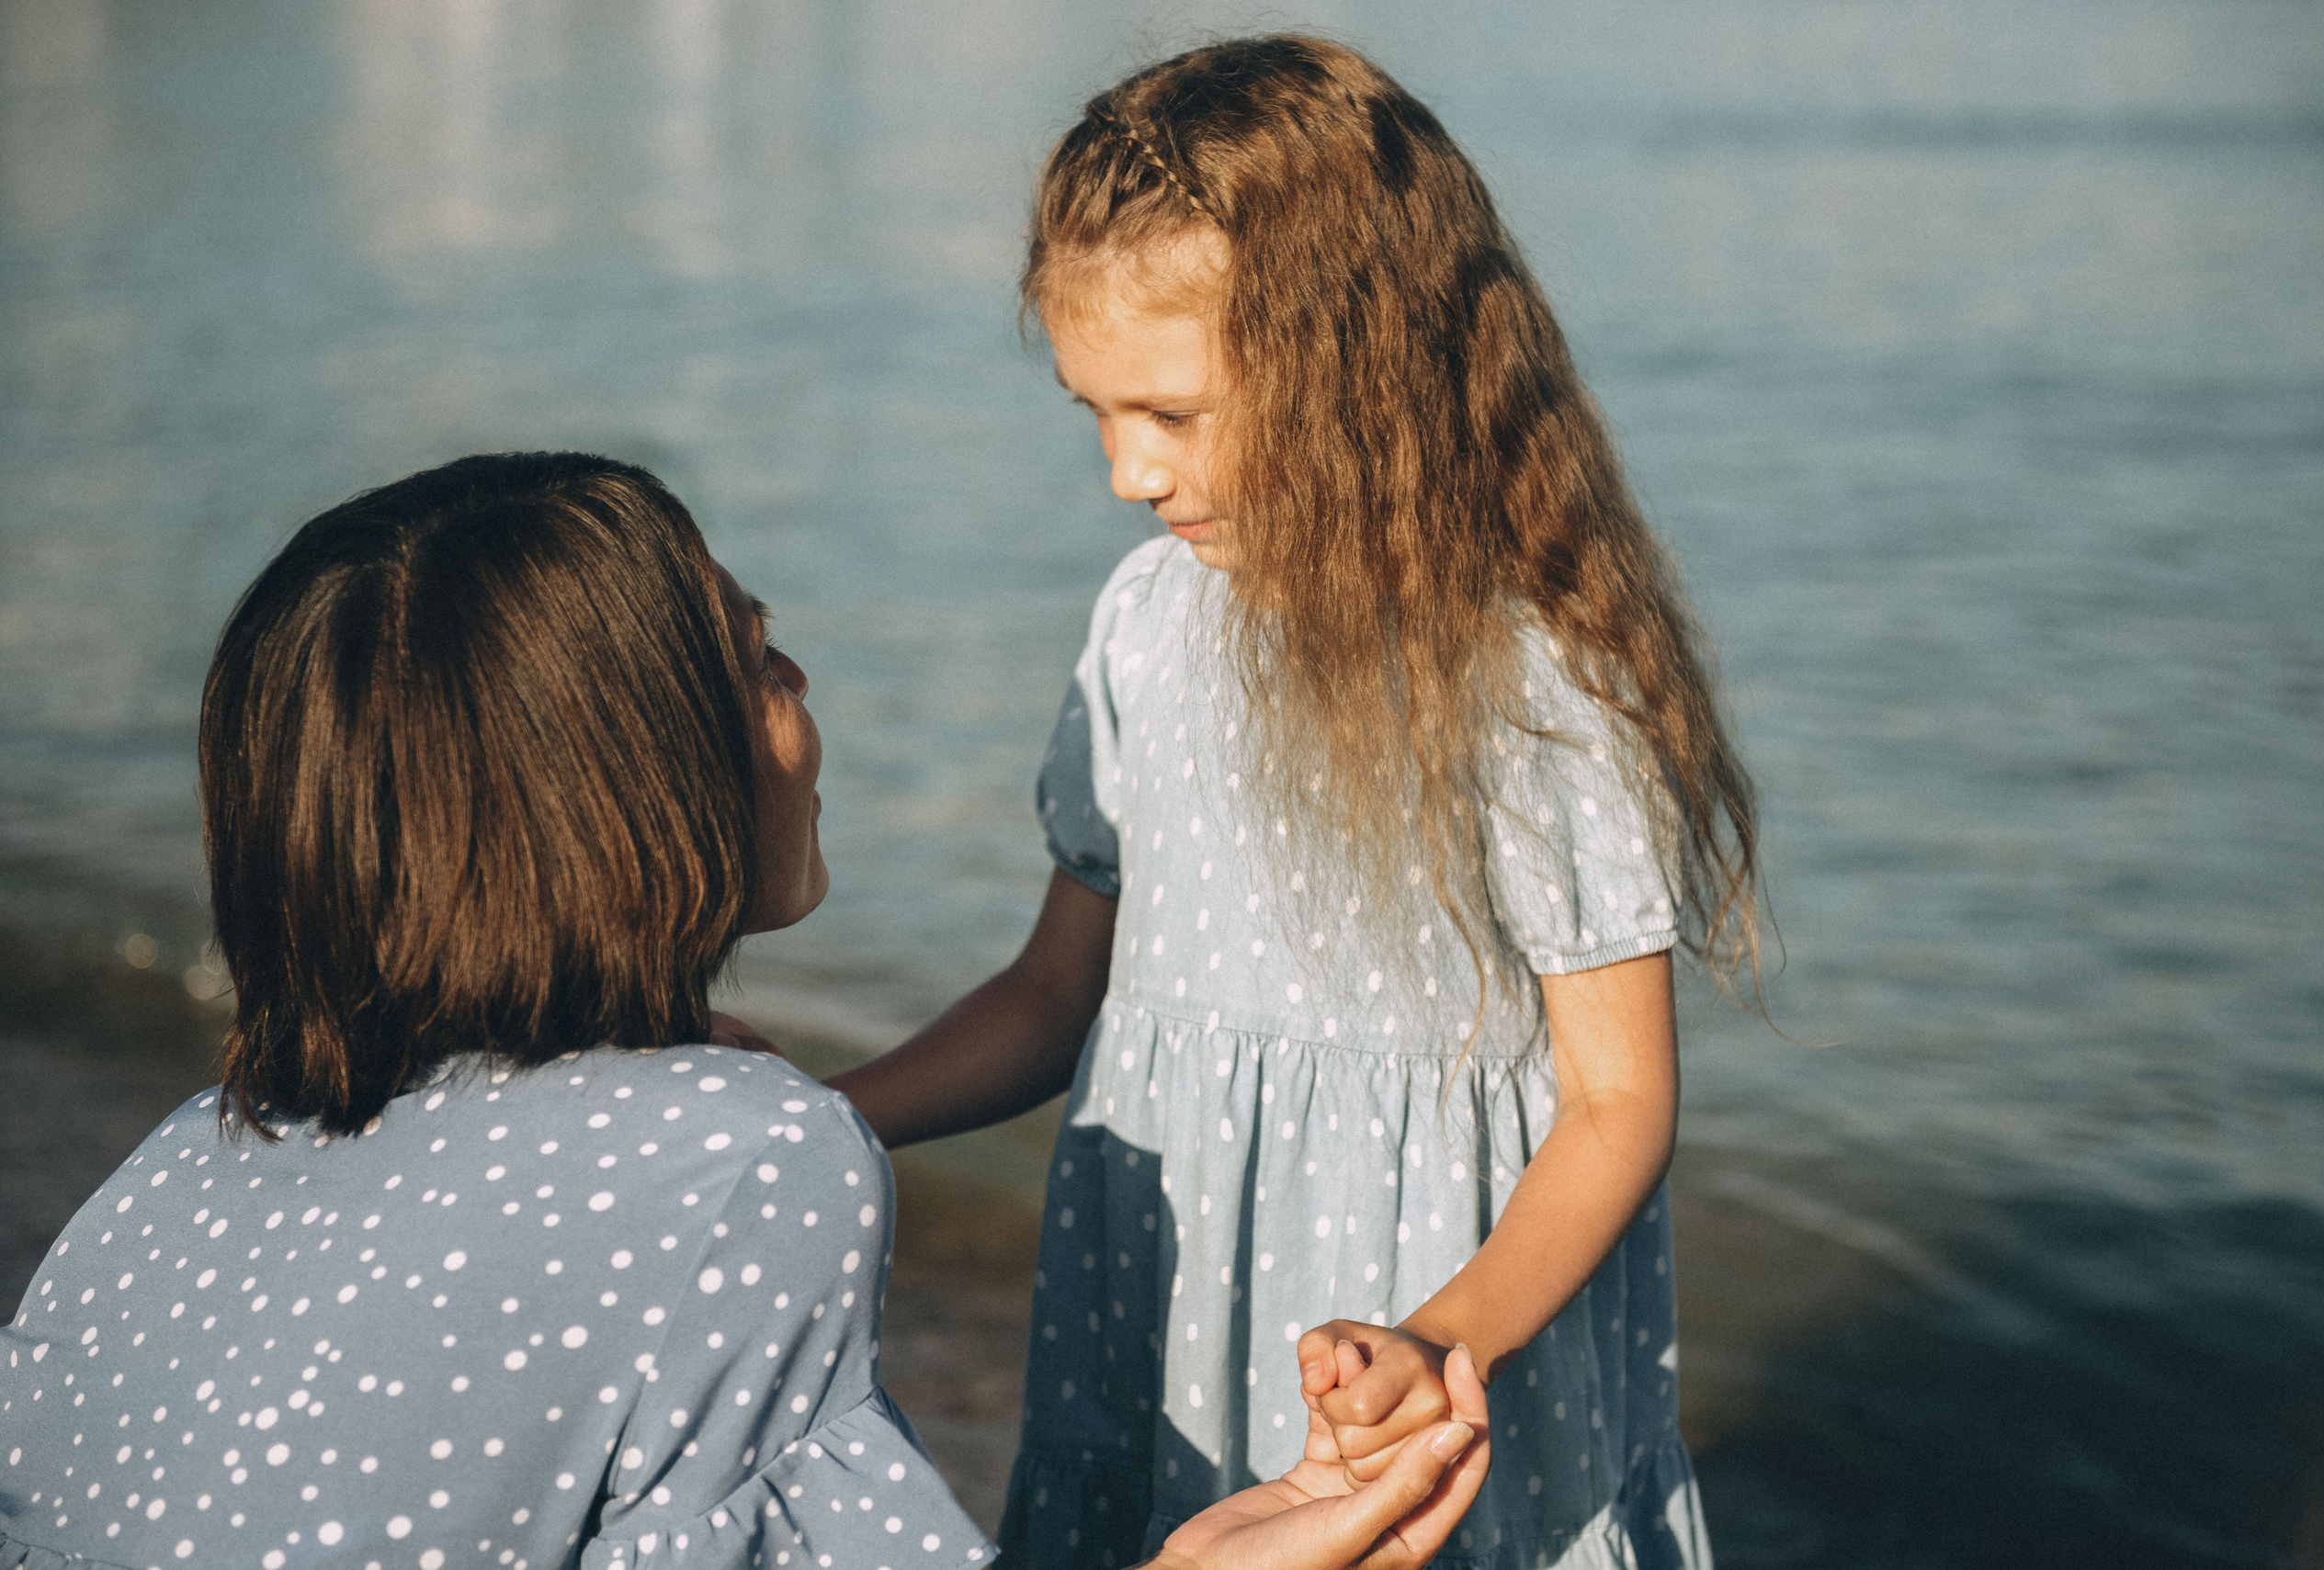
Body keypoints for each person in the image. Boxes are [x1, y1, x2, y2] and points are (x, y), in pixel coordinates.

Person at [0, 453, 1495, 1570]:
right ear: (634, 780)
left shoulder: (176, 1162)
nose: (800, 685)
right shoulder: (742, 1159)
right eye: (757, 651)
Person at [825, 36, 1764, 1570]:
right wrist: (827, 1115)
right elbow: (1060, 992)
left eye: (1174, 416)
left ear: (1357, 368)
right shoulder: (1146, 624)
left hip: (1423, 1368)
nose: (1130, 471)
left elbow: (1619, 1105)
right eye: (1096, 413)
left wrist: (1437, 1342)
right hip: (1161, 1325)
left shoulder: (1528, 685)